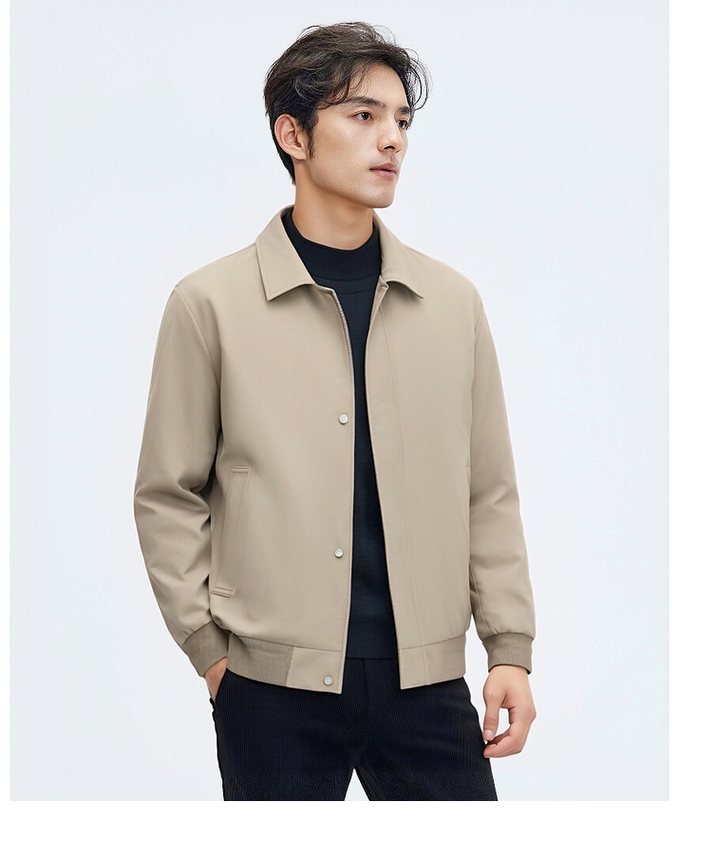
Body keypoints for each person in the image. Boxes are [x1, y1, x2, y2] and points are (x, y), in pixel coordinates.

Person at [133, 21, 536, 801]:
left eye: (401, 120)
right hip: (269, 691)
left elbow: (488, 490)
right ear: (294, 135)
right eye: (363, 115)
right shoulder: (209, 306)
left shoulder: (451, 304)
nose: (392, 139)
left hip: (426, 685)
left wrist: (509, 648)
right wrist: (212, 654)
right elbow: (166, 495)